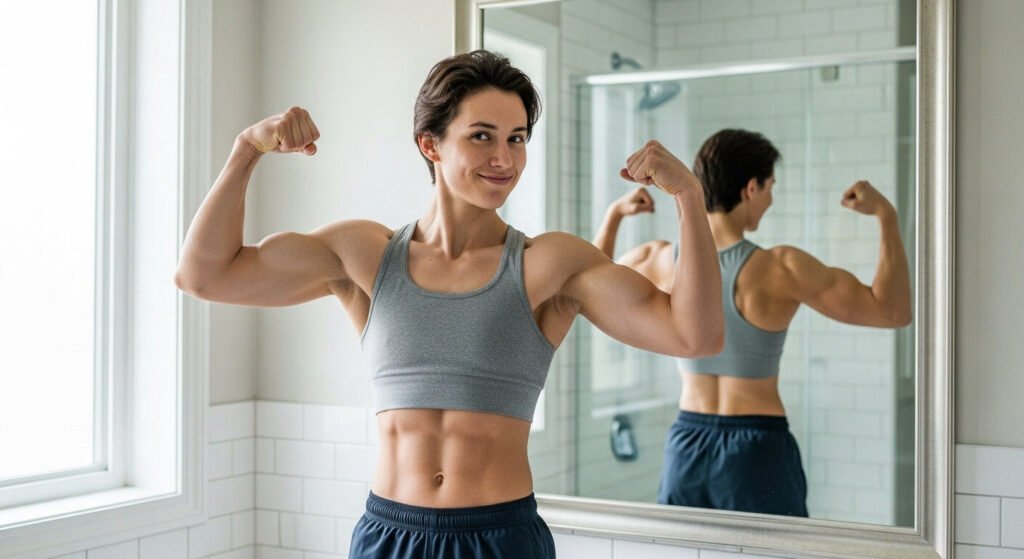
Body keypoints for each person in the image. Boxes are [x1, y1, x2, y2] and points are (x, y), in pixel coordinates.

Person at [175, 50, 723, 558]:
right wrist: (247, 150)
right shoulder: (363, 255)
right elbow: (205, 274)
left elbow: (694, 336)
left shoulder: (549, 264)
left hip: (500, 536)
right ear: (430, 144)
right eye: (482, 136)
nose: (503, 158)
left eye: (517, 138)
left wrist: (689, 198)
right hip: (389, 533)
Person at [593, 128, 912, 517]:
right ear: (751, 188)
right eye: (770, 187)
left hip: (686, 445)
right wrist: (886, 216)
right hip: (757, 449)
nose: (771, 199)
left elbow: (589, 285)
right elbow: (891, 311)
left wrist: (614, 216)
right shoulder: (781, 268)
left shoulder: (659, 259)